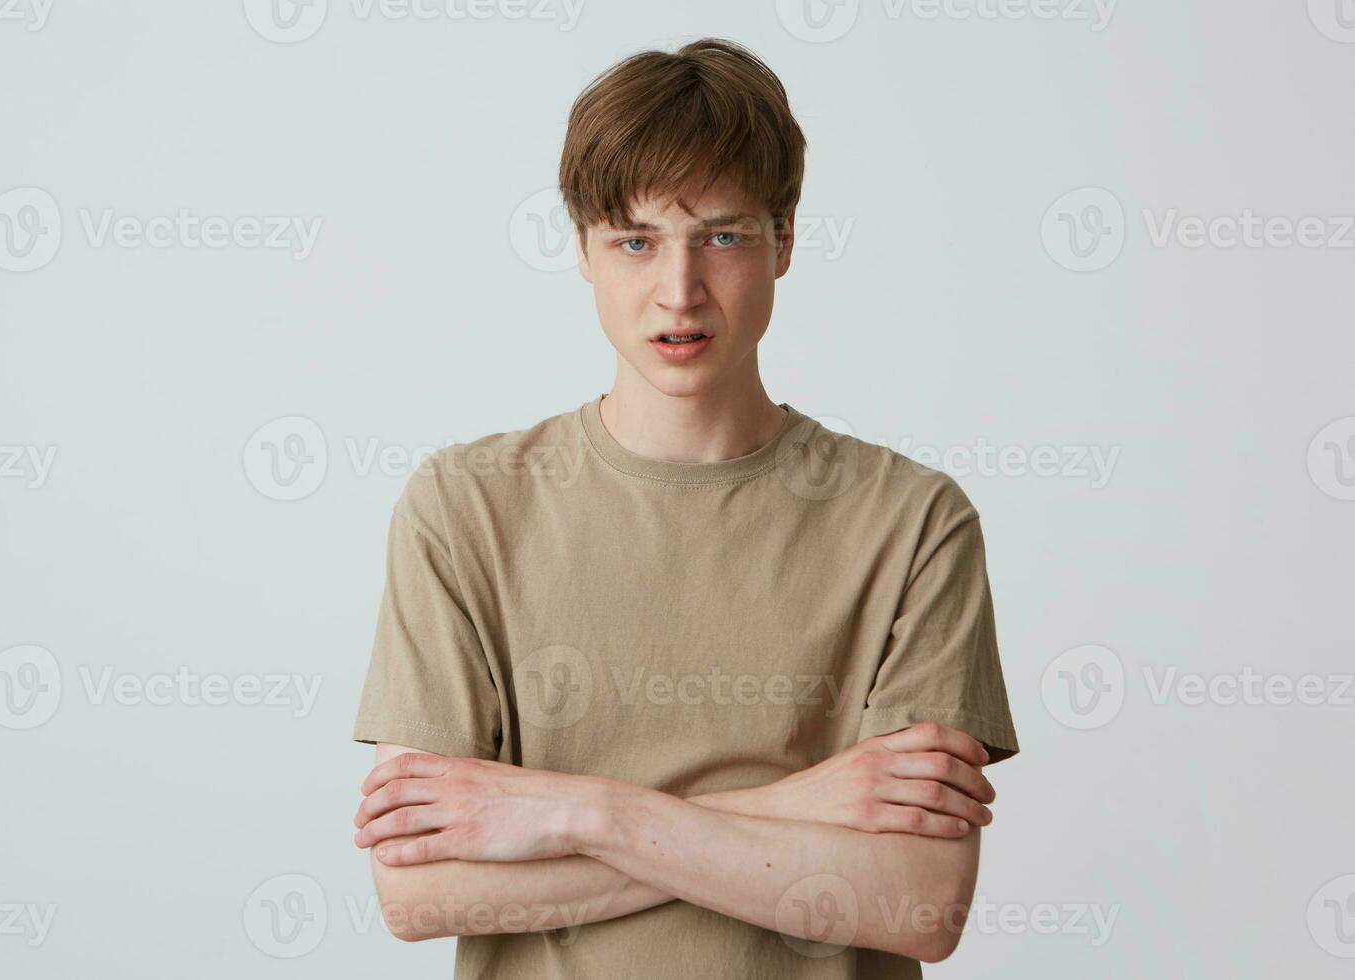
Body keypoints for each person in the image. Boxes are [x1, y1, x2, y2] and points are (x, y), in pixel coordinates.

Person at [350, 36, 1019, 979]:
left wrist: (570, 813)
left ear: (785, 241)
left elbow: (921, 907)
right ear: (581, 248)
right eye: (636, 240)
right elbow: (421, 894)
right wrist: (806, 805)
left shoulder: (913, 523)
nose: (679, 291)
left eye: (724, 236)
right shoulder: (464, 510)